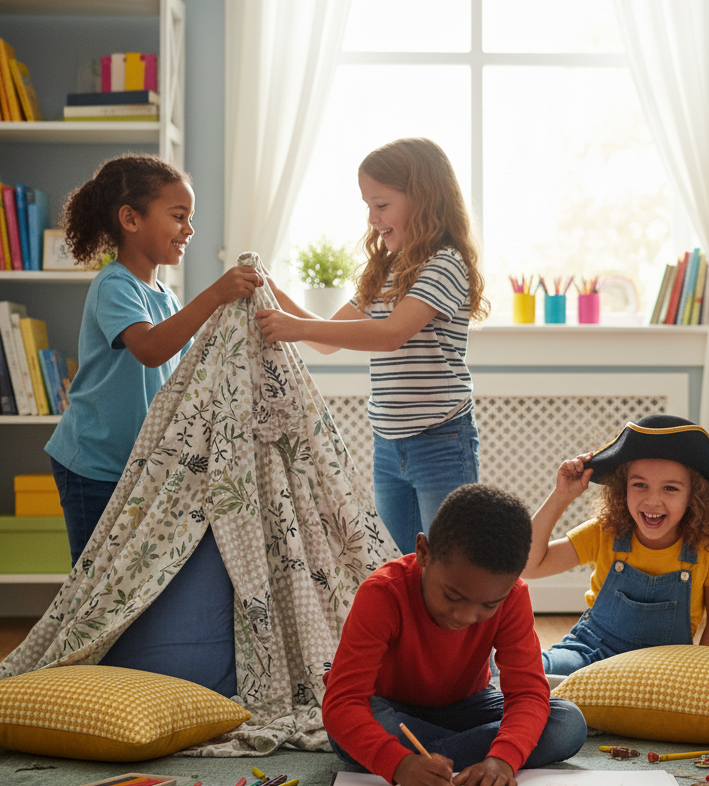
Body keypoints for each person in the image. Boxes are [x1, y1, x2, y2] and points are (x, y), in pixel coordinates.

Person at [43, 154, 261, 696]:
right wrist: (216, 295)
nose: (189, 229)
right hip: (93, 464)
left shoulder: (165, 293)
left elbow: (187, 370)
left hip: (140, 470)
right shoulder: (114, 286)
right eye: (179, 215)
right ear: (131, 218)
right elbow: (149, 348)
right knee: (98, 585)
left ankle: (129, 684)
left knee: (131, 580)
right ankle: (84, 687)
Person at [256, 137, 488, 555]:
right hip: (388, 445)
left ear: (423, 199)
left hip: (441, 442)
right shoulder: (388, 269)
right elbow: (326, 338)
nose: (372, 219)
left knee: (452, 564)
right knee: (401, 566)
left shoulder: (445, 263)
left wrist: (291, 326)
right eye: (368, 206)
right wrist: (270, 292)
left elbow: (389, 335)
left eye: (381, 205)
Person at [321, 483, 587, 786]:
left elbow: (528, 693)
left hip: (468, 705)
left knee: (567, 723)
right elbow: (342, 703)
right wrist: (400, 765)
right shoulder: (382, 593)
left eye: (488, 605)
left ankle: (434, 760)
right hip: (391, 707)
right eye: (452, 595)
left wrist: (503, 760)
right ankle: (443, 756)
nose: (466, 616)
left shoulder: (513, 597)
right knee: (355, 722)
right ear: (423, 552)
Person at [524, 413, 709, 679]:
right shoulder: (605, 531)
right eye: (640, 485)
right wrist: (561, 496)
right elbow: (529, 565)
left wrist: (696, 673)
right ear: (622, 488)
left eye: (670, 488)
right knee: (535, 672)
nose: (652, 501)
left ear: (695, 495)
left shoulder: (708, 544)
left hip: (666, 666)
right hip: (592, 653)